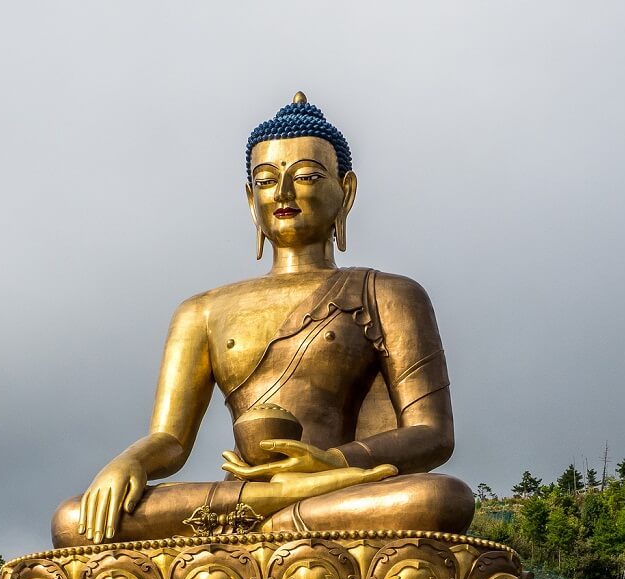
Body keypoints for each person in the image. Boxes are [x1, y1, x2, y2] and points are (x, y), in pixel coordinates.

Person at [51, 93, 473, 547]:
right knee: (74, 520)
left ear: (346, 191)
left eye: (306, 176)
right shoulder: (202, 310)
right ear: (251, 199)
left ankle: (257, 524)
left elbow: (431, 433)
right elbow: (170, 438)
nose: (284, 194)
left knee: (438, 499)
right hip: (247, 492)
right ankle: (275, 511)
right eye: (267, 181)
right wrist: (129, 462)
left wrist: (331, 464)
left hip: (339, 490)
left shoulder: (388, 293)